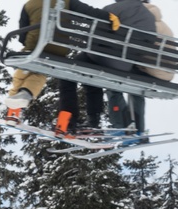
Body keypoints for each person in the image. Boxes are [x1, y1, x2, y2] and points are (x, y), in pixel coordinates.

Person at [3, 0, 120, 122]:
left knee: (24, 72)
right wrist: (108, 17)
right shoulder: (68, 2)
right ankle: (24, 94)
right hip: (58, 49)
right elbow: (89, 12)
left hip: (34, 48)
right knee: (37, 70)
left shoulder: (28, 5)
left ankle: (14, 109)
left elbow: (22, 37)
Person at [55, 0, 154, 136]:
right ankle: (93, 121)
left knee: (68, 72)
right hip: (126, 64)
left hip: (104, 58)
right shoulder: (148, 16)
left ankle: (69, 121)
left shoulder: (113, 9)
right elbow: (150, 43)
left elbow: (95, 32)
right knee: (91, 74)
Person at [105, 2, 173, 139]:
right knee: (136, 89)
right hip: (165, 72)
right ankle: (139, 130)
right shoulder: (161, 23)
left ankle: (119, 125)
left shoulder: (141, 20)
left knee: (112, 81)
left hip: (151, 70)